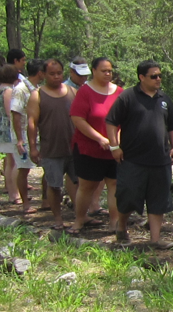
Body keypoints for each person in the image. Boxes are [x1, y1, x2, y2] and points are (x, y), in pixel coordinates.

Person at [105, 60, 173, 248]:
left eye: (160, 75)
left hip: (160, 159)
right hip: (132, 159)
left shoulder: (164, 99)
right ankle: (121, 228)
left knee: (158, 200)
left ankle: (155, 240)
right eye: (153, 76)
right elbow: (111, 122)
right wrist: (114, 147)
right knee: (128, 196)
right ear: (141, 77)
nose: (158, 79)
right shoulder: (128, 97)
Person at [68, 57, 122, 234]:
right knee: (87, 185)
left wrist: (117, 140)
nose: (107, 74)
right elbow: (78, 119)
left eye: (110, 71)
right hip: (89, 148)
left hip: (114, 149)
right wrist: (99, 138)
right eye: (103, 71)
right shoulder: (85, 92)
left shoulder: (119, 92)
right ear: (94, 71)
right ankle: (79, 219)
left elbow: (124, 120)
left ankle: (115, 222)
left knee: (114, 184)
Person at [25, 58, 74, 228]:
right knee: (54, 185)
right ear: (43, 74)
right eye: (52, 74)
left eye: (59, 73)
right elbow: (32, 123)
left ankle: (80, 217)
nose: (56, 77)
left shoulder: (72, 92)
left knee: (78, 183)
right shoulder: (37, 95)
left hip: (74, 147)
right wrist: (32, 148)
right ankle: (58, 219)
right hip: (51, 148)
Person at [8, 59, 45, 209]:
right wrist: (19, 139)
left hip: (35, 133)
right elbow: (16, 114)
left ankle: (45, 200)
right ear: (40, 72)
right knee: (23, 168)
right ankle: (25, 204)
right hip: (22, 133)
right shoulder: (21, 89)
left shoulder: (37, 89)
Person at [0, 64, 25, 206]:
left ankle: (13, 192)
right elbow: (9, 111)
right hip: (8, 128)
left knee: (10, 161)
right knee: (13, 162)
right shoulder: (8, 91)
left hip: (2, 127)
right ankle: (14, 194)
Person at [63, 58, 92, 205]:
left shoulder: (88, 88)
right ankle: (75, 202)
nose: (83, 78)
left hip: (87, 134)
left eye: (85, 75)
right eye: (80, 75)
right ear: (71, 72)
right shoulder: (64, 89)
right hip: (70, 133)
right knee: (71, 169)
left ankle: (88, 204)